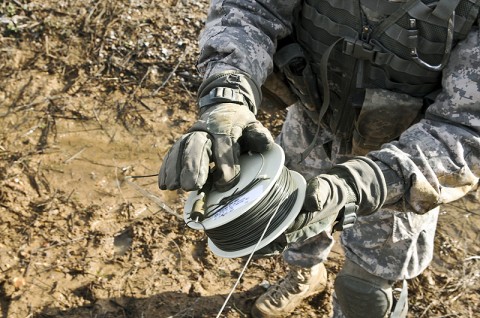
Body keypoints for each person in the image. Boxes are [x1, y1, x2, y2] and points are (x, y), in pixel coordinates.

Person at [158, 1, 480, 317]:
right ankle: (305, 275)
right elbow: (250, 8)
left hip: (404, 159)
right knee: (288, 221)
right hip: (311, 122)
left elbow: (466, 129)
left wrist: (362, 184)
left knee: (366, 291)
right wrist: (227, 96)